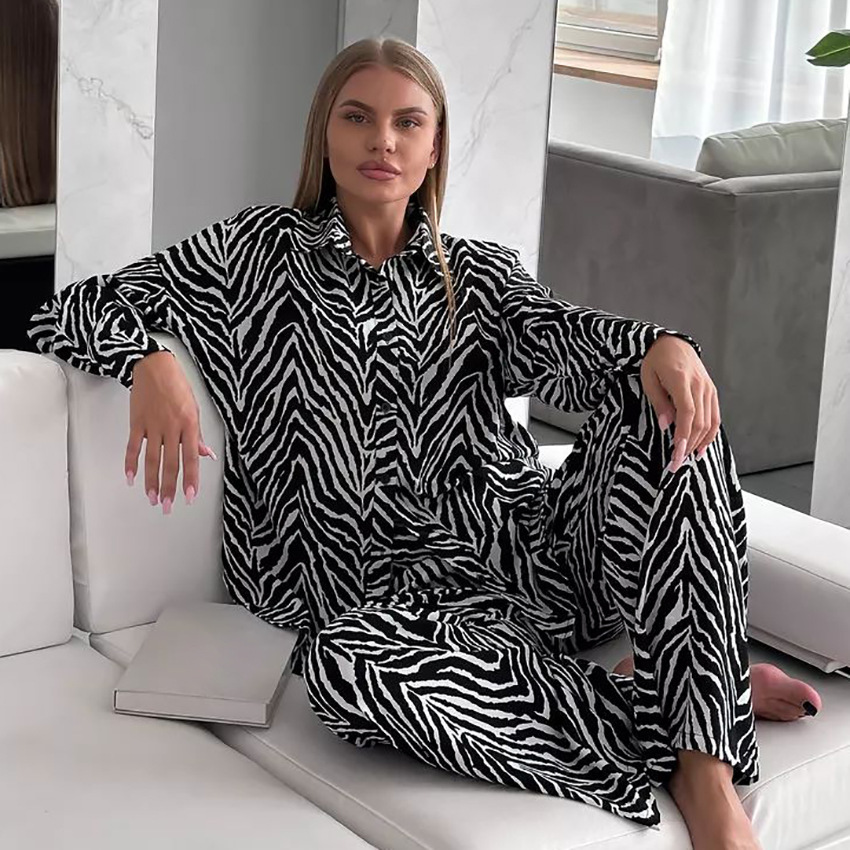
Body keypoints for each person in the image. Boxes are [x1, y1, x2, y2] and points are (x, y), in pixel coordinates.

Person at [29, 36, 822, 850]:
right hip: (394, 618)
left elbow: (567, 338)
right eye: (358, 117)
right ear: (324, 132)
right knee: (348, 675)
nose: (383, 141)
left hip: (544, 566)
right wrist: (149, 360)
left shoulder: (476, 275)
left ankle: (705, 774)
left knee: (666, 407)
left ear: (434, 147)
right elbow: (74, 308)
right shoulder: (252, 257)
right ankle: (687, 700)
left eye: (408, 123)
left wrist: (662, 344)